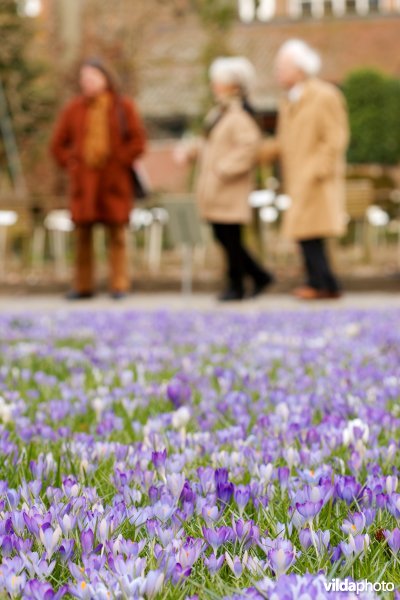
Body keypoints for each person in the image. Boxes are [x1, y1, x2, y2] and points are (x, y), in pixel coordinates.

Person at [178, 57, 274, 301]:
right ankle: (255, 277)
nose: (213, 86)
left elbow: (249, 147)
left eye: (218, 82)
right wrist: (192, 151)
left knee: (230, 238)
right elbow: (210, 145)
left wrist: (224, 169)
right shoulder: (218, 114)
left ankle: (240, 283)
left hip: (229, 187)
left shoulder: (239, 116)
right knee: (223, 236)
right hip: (215, 188)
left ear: (232, 85)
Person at [260, 40, 349, 300]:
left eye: (282, 67)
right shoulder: (288, 101)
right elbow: (283, 140)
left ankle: (324, 283)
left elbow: (336, 136)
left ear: (299, 69)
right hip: (297, 175)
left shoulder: (325, 95)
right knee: (305, 233)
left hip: (316, 177)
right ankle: (321, 282)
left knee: (312, 232)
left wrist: (320, 168)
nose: (277, 72)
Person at [50, 58, 146, 299]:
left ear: (105, 79)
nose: (88, 82)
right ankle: (82, 286)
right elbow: (57, 145)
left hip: (114, 183)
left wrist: (119, 161)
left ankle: (119, 285)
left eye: (92, 77)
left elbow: (138, 142)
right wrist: (71, 163)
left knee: (117, 236)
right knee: (82, 237)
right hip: (84, 184)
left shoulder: (123, 107)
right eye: (84, 78)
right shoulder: (74, 109)